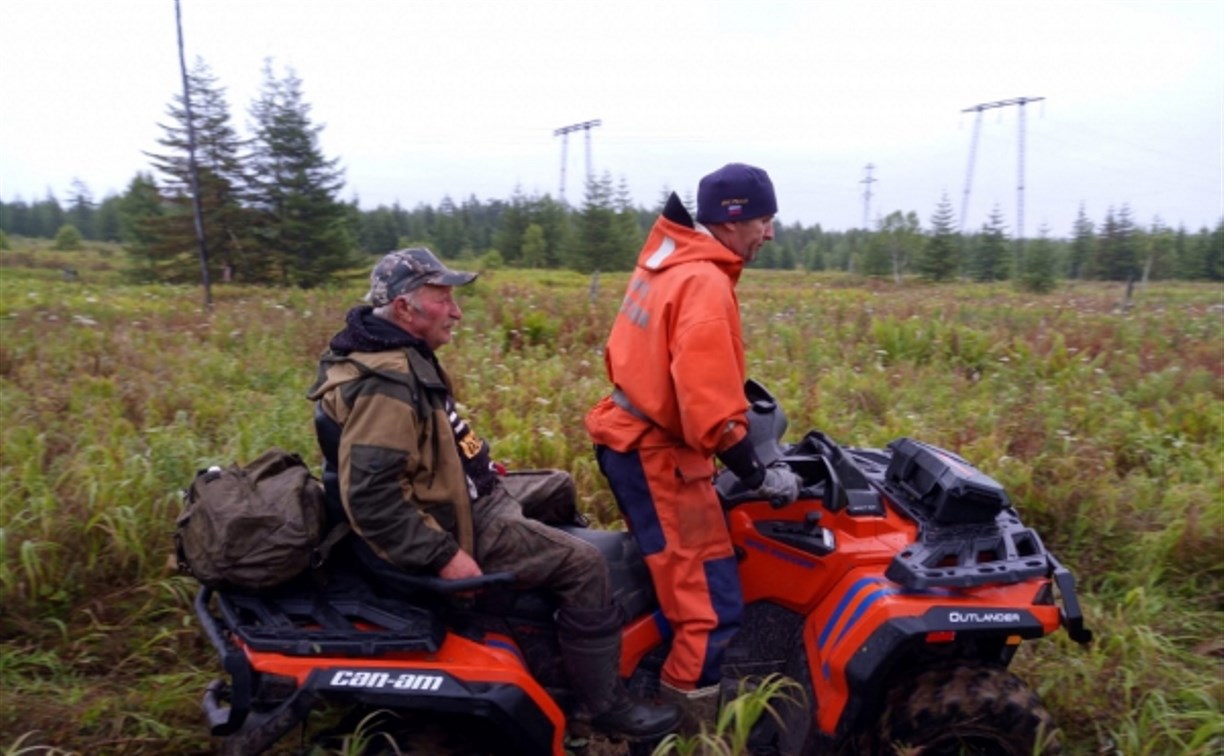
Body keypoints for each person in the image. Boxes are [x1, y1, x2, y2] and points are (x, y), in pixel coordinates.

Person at [307, 247, 678, 741]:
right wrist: (444, 555)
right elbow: (372, 497)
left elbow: (425, 449)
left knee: (558, 485)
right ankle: (605, 704)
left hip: (463, 491)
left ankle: (545, 624)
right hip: (455, 521)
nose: (456, 311)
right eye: (443, 298)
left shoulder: (391, 352)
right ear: (403, 309)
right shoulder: (388, 386)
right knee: (587, 564)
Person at [585, 164, 802, 729]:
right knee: (708, 611)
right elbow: (708, 409)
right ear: (732, 220)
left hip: (629, 435)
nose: (769, 233)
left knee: (674, 581)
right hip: (659, 459)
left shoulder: (669, 260)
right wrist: (755, 472)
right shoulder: (703, 283)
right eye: (763, 219)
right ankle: (682, 728)